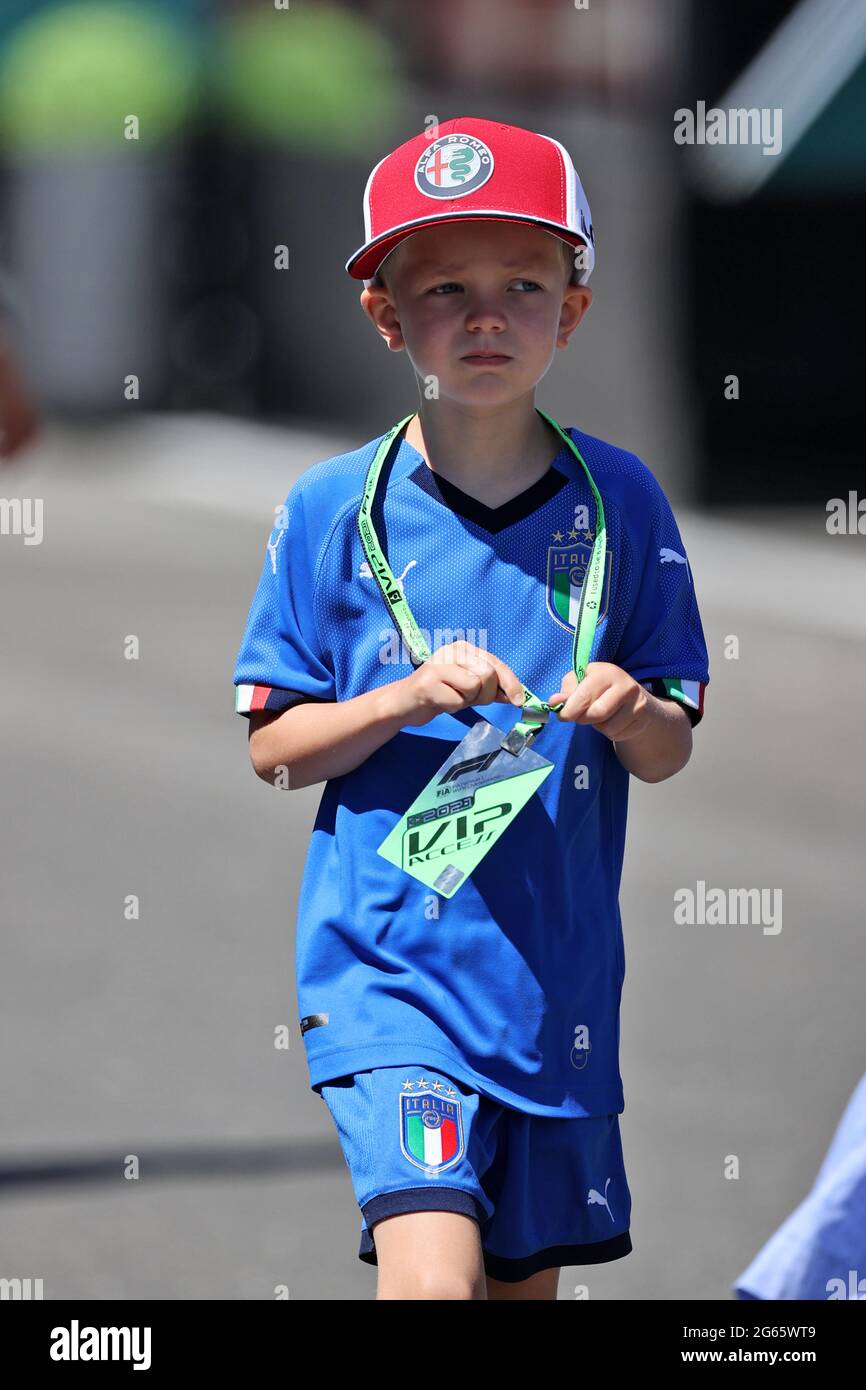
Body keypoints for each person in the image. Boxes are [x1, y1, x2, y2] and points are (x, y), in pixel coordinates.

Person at [232, 116, 710, 1301]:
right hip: (385, 978)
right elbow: (273, 753)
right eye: (443, 287)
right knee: (432, 1284)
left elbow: (668, 748)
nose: (484, 314)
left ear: (574, 309)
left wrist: (627, 707)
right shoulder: (329, 507)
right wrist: (398, 696)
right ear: (386, 316)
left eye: (522, 284)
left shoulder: (625, 503)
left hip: (554, 998)